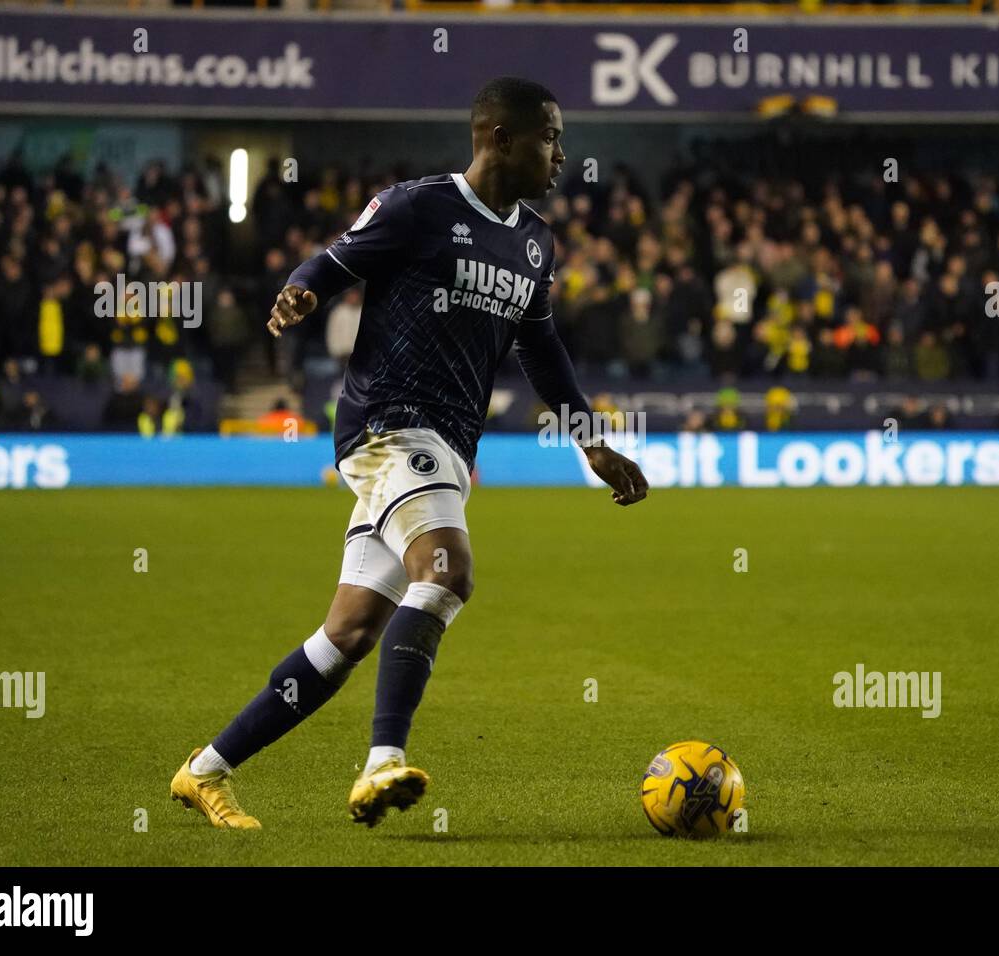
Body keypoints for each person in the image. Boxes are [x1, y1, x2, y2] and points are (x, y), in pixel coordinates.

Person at [171, 77, 648, 830]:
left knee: (349, 634)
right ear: (501, 138)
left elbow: (540, 346)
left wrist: (591, 440)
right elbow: (332, 264)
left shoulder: (535, 241)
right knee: (448, 572)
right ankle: (381, 762)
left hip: (447, 445)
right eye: (551, 137)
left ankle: (204, 771)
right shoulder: (417, 207)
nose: (562, 155)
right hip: (389, 425)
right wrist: (301, 291)